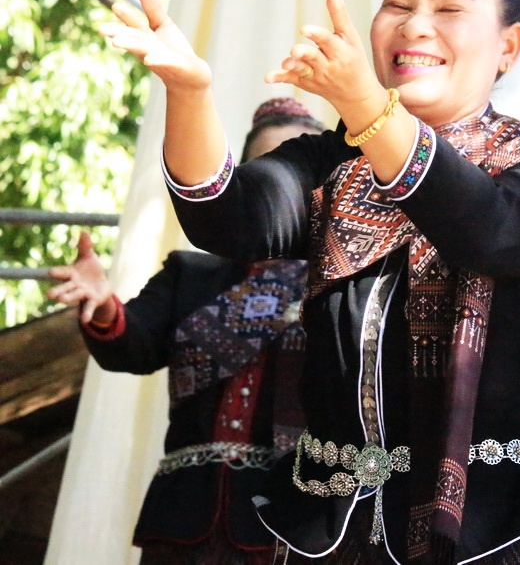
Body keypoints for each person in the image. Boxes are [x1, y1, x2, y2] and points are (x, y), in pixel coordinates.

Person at [100, 0, 520, 563]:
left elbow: (485, 229)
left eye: (449, 7)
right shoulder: (331, 163)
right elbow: (228, 218)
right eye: (397, 2)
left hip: (483, 538)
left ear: (508, 45)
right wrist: (189, 93)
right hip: (327, 534)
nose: (415, 24)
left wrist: (368, 109)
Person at [46, 97, 325, 564]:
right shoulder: (192, 274)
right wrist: (104, 306)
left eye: (302, 175)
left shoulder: (343, 286)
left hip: (292, 524)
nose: (287, 189)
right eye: (270, 170)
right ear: (245, 183)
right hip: (183, 521)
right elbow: (133, 346)